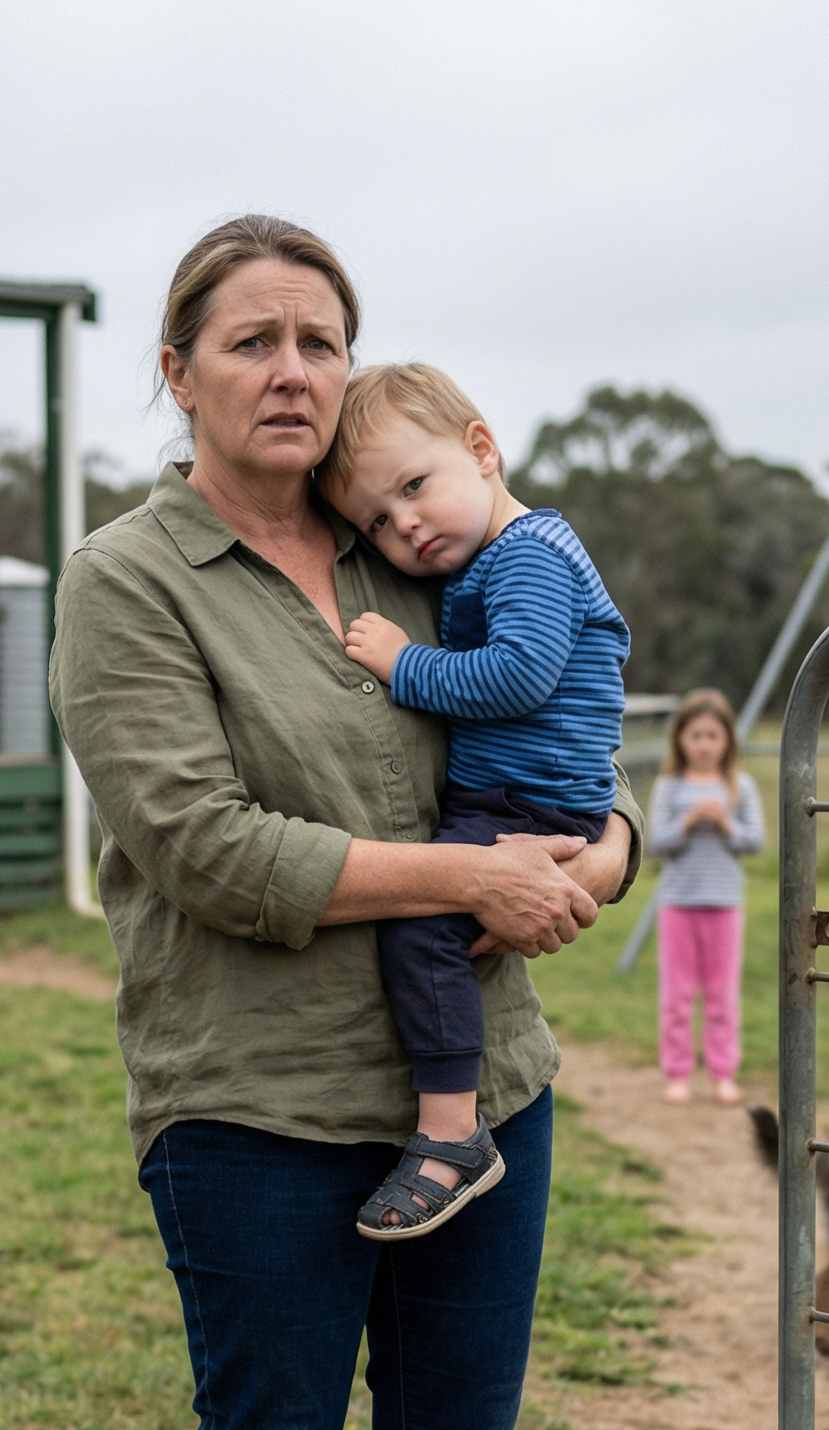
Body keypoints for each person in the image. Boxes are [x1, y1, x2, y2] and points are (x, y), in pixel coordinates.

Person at [47, 217, 643, 1430]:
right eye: (251, 340)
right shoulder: (129, 581)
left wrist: (601, 854)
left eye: (320, 338)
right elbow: (207, 847)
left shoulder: (424, 541)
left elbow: (571, 732)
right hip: (257, 1108)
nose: (292, 369)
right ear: (179, 373)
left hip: (487, 1094)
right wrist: (469, 877)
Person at [318, 363, 631, 1238]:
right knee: (434, 932)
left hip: (528, 802)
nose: (405, 524)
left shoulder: (530, 555)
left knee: (422, 932)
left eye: (414, 487)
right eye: (377, 522)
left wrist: (401, 663)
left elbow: (519, 676)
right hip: (521, 794)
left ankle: (453, 1134)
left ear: (482, 449)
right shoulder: (496, 557)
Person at [645, 689, 762, 1105]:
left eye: (713, 735)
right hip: (678, 905)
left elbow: (756, 841)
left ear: (727, 739)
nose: (704, 745)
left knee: (722, 998)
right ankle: (677, 1074)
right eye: (695, 735)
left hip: (725, 905)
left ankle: (722, 1074)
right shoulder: (668, 786)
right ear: (680, 739)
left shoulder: (740, 786)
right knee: (676, 998)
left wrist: (727, 824)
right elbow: (656, 843)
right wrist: (690, 821)